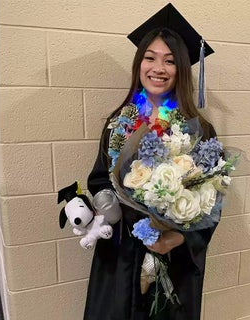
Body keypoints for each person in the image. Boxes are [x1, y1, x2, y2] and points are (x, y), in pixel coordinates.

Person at [83, 4, 217, 320]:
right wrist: (104, 207)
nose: (158, 67)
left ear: (182, 68)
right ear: (139, 63)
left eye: (170, 61)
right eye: (150, 58)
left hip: (170, 256)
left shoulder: (198, 130)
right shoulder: (119, 122)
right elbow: (101, 178)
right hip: (120, 253)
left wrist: (177, 236)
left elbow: (210, 198)